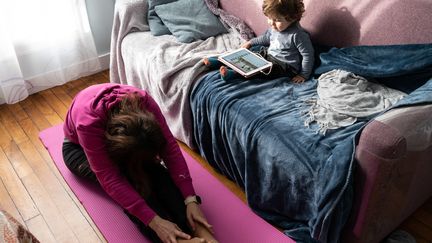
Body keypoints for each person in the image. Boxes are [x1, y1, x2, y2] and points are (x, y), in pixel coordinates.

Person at [62, 83, 217, 243]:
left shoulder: (144, 103)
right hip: (78, 150)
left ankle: (201, 231)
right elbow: (111, 179)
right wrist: (156, 223)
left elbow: (170, 148)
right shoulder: (88, 124)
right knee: (131, 183)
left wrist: (190, 200)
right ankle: (179, 241)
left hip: (131, 143)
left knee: (157, 173)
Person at [203, 0, 314, 83]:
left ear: (293, 17)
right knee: (248, 55)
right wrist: (251, 42)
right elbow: (265, 38)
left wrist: (303, 75)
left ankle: (232, 74)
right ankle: (220, 61)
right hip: (269, 55)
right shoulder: (276, 28)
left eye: (277, 20)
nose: (271, 23)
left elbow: (308, 55)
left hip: (284, 67)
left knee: (259, 70)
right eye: (269, 18)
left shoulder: (298, 35)